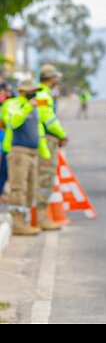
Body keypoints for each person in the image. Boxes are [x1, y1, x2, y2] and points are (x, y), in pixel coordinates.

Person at [2, 75, 52, 237]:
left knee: (30, 189)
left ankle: (24, 221)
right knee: (19, 188)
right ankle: (17, 223)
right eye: (31, 91)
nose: (34, 93)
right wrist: (27, 107)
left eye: (35, 90)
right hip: (19, 152)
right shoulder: (12, 104)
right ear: (22, 91)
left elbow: (39, 132)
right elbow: (13, 122)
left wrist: (45, 154)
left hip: (33, 153)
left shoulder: (35, 108)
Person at [36, 64, 69, 232]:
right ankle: (41, 217)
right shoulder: (43, 95)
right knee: (45, 177)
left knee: (43, 177)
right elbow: (49, 121)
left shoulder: (42, 93)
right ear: (51, 78)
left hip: (44, 139)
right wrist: (62, 134)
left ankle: (40, 216)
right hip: (47, 140)